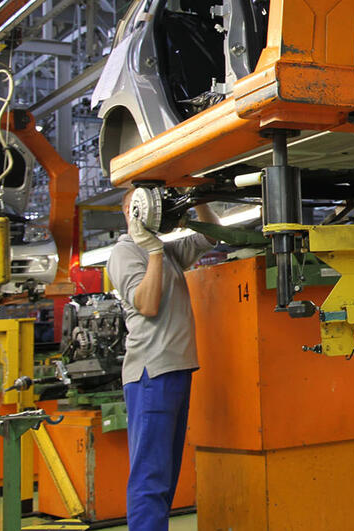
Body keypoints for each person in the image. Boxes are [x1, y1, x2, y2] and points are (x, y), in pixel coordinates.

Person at [106, 190, 219, 531]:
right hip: (150, 374)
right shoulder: (126, 252)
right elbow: (148, 304)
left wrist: (199, 195)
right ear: (131, 211)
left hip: (175, 370)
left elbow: (210, 235)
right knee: (151, 474)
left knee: (166, 472)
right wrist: (153, 251)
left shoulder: (167, 251)